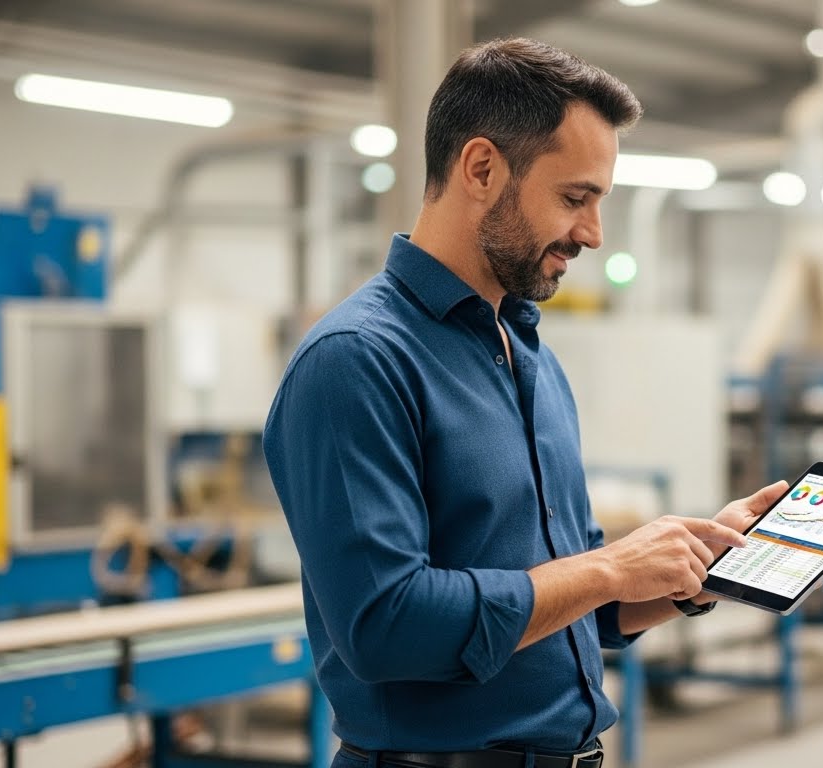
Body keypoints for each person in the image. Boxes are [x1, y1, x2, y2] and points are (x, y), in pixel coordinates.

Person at [264, 37, 787, 768]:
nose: (593, 234)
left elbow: (575, 608)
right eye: (575, 198)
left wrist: (697, 572)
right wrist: (607, 566)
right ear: (481, 168)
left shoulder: (522, 350)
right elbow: (385, 626)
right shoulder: (355, 360)